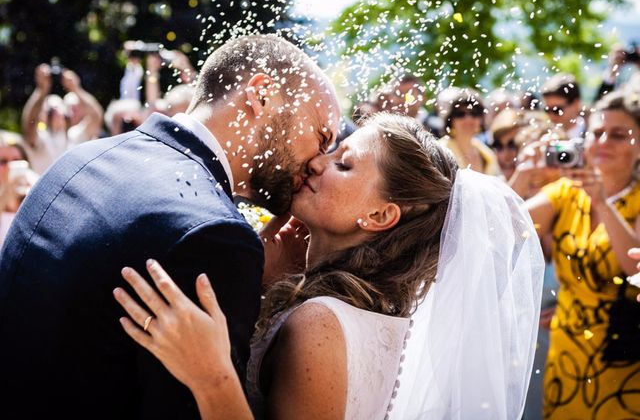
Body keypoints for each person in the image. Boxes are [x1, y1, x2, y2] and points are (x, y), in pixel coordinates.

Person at [114, 113, 544, 420]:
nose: (319, 161)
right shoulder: (353, 306)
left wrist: (211, 376)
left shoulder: (319, 322)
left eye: (344, 164)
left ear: (379, 216)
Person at [0, 34, 340, 419]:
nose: (318, 162)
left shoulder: (79, 159)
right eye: (322, 136)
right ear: (261, 95)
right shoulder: (216, 236)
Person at [525, 90, 640, 419]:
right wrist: (523, 177)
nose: (604, 141)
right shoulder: (565, 192)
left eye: (618, 135)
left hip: (624, 358)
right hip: (567, 354)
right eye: (597, 133)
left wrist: (602, 203)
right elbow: (507, 230)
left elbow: (635, 265)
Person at [21, 63, 104, 173]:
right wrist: (41, 90)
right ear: (42, 116)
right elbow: (29, 123)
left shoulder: (74, 136)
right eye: (51, 110)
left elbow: (96, 117)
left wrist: (76, 88)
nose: (56, 111)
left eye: (59, 107)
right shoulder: (41, 138)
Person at [437, 87, 502, 175]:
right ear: (451, 119)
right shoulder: (440, 150)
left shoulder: (487, 155)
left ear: (481, 119)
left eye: (474, 113)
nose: (468, 119)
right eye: (460, 114)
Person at [540, 73, 586, 139]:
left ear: (576, 104)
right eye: (547, 110)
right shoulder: (542, 136)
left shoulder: (596, 135)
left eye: (557, 110)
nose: (551, 115)